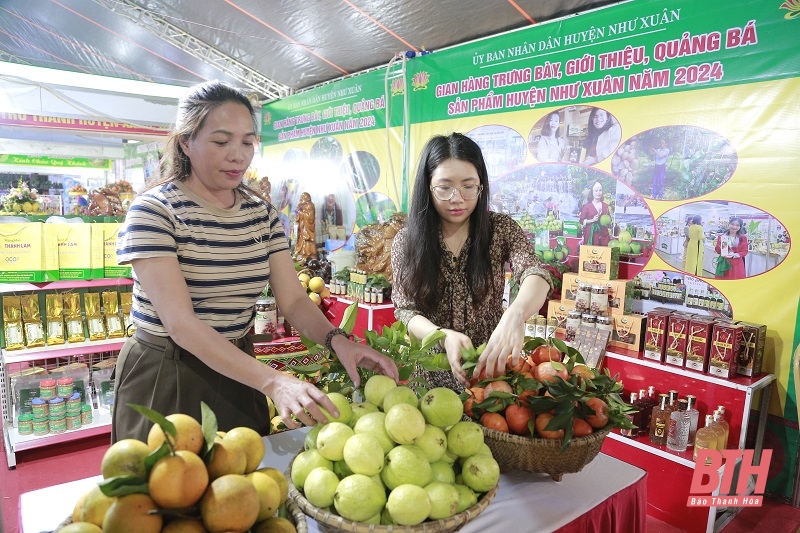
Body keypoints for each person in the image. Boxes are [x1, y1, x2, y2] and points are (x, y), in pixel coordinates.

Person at [112, 81, 397, 442]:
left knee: (247, 489)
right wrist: (274, 380)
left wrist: (339, 341)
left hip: (239, 368)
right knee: (170, 488)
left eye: (247, 142)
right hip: (169, 372)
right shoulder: (154, 212)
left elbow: (293, 299)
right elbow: (181, 325)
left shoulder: (261, 215)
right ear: (186, 142)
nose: (238, 155)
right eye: (221, 141)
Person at [391, 133, 552, 392]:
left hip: (490, 377)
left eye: (468, 186)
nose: (457, 198)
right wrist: (442, 336)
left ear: (481, 186)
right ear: (427, 186)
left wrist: (516, 314)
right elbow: (406, 311)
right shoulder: (407, 241)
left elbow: (535, 273)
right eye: (444, 187)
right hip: (431, 379)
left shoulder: (500, 229)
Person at [578, 181, 612, 246]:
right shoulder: (587, 206)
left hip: (603, 236)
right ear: (592, 192)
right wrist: (592, 220)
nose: (598, 193)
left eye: (600, 190)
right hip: (590, 236)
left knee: (604, 254)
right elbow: (581, 221)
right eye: (596, 191)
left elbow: (609, 220)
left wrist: (607, 222)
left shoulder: (605, 206)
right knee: (590, 254)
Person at [294, 191, 317, 261]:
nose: (301, 200)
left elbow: (310, 217)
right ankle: (301, 252)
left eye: (302, 198)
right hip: (302, 229)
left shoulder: (310, 205)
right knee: (301, 240)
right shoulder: (301, 205)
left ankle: (308, 253)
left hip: (307, 230)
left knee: (307, 242)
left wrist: (300, 213)